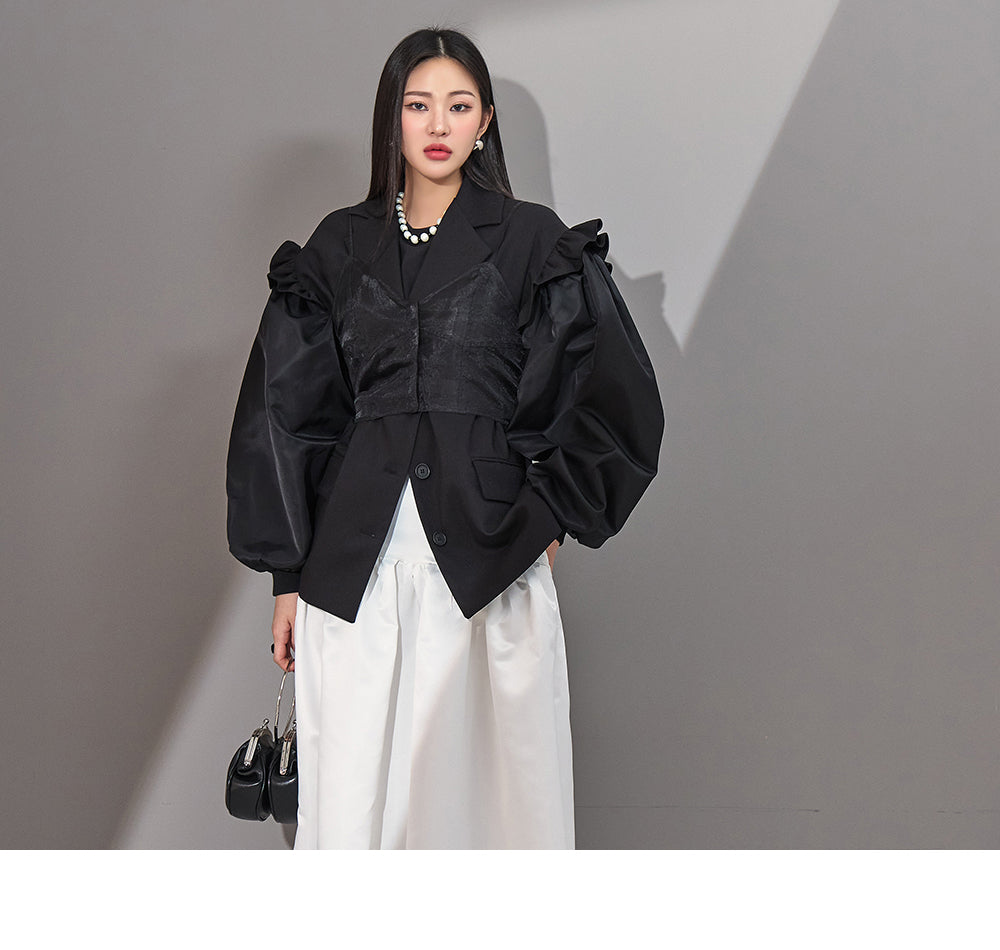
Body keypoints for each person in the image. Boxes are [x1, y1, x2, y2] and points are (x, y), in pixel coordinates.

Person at [226, 26, 664, 849]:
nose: (437, 124)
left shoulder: (533, 240)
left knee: (493, 810)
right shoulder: (337, 246)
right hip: (351, 573)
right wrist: (286, 575)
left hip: (490, 561)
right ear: (390, 118)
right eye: (418, 104)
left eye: (459, 106)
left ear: (485, 121)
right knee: (356, 804)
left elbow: (612, 395)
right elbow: (288, 411)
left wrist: (551, 519)